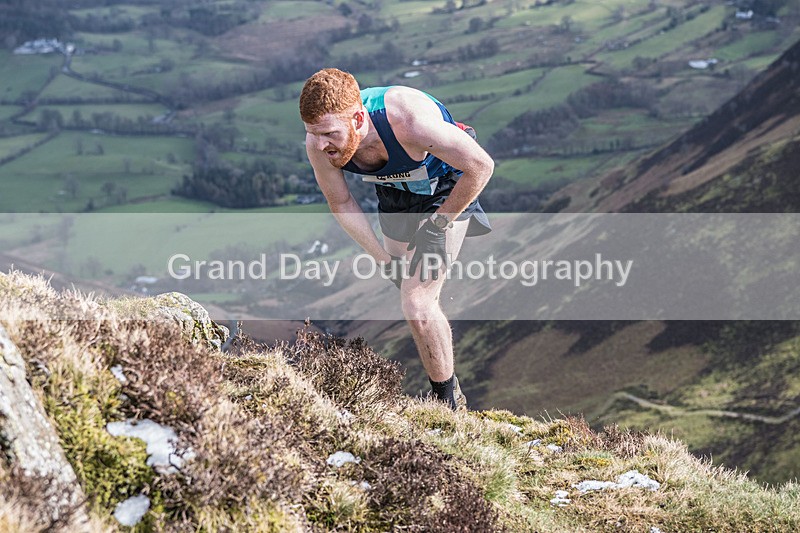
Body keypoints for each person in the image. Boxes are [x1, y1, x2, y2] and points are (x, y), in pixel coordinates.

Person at [299, 68, 494, 411]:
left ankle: (449, 404)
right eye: (313, 134)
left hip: (446, 190)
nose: (320, 145)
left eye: (330, 134)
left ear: (358, 119)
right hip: (394, 196)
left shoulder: (408, 120)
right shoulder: (319, 142)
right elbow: (341, 202)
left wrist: (437, 226)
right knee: (409, 288)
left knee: (417, 305)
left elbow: (480, 166)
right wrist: (382, 260)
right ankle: (447, 379)